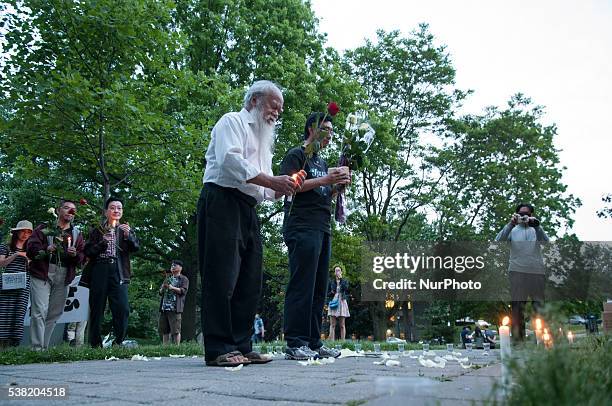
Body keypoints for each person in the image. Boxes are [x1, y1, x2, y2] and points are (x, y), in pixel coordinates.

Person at [197, 80, 301, 367]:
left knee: (249, 278)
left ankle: (242, 344)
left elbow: (265, 190)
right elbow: (230, 161)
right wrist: (270, 180)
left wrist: (284, 187)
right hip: (222, 199)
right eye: (273, 106)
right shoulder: (231, 122)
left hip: (247, 207)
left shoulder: (264, 140)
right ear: (254, 101)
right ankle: (219, 347)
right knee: (221, 276)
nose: (276, 114)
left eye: (279, 110)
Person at [280, 112, 351, 360]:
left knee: (319, 288)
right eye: (326, 130)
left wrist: (336, 187)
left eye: (332, 131)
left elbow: (321, 191)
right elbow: (290, 185)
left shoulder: (320, 161)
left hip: (322, 227)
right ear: (312, 128)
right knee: (303, 285)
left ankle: (313, 341)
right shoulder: (297, 154)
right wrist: (327, 178)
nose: (330, 135)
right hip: (301, 226)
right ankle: (295, 342)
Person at [26, 200, 85, 350]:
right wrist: (47, 248)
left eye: (73, 210)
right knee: (39, 310)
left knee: (54, 312)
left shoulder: (77, 233)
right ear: (58, 210)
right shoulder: (44, 228)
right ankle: (36, 349)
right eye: (66, 208)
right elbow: (31, 249)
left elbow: (82, 259)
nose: (70, 212)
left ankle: (44, 347)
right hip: (42, 272)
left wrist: (75, 254)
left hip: (64, 273)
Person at [82, 197, 139, 347]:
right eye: (113, 208)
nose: (116, 210)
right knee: (97, 306)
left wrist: (129, 237)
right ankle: (95, 344)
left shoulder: (126, 229)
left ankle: (118, 341)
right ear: (106, 211)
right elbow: (87, 251)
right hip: (99, 269)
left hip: (118, 270)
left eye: (119, 208)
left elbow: (135, 248)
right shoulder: (97, 230)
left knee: (122, 308)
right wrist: (102, 243)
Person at [495, 203, 549, 341]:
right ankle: (519, 341)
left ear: (531, 215)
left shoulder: (536, 229)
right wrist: (510, 224)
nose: (524, 217)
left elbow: (546, 243)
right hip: (517, 271)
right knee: (517, 307)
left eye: (527, 214)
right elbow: (498, 241)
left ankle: (542, 338)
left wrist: (537, 225)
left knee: (539, 305)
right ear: (517, 214)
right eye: (521, 214)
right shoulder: (512, 229)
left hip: (536, 272)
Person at [0, 220, 33, 348]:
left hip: (23, 285)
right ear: (17, 232)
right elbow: (1, 263)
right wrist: (16, 255)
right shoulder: (5, 246)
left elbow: (34, 267)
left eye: (29, 232)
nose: (25, 234)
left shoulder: (31, 249)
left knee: (19, 313)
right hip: (6, 283)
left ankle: (14, 345)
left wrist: (28, 259)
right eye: (23, 231)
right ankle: (2, 344)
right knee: (3, 312)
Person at [158, 260, 189, 345]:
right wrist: (163, 288)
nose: (173, 266)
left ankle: (176, 348)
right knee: (165, 330)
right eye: (172, 265)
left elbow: (183, 291)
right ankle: (165, 349)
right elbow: (160, 292)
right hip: (164, 308)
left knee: (175, 330)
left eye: (175, 265)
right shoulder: (168, 278)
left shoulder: (183, 279)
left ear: (180, 268)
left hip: (175, 308)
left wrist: (172, 288)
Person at [328, 265, 350, 341]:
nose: (337, 272)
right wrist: (331, 293)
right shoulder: (331, 281)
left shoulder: (344, 281)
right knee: (332, 324)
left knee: (342, 325)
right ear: (334, 273)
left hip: (342, 302)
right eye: (336, 271)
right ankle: (332, 342)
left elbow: (346, 289)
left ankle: (343, 342)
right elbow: (327, 293)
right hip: (333, 302)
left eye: (339, 270)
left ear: (341, 272)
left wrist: (341, 279)